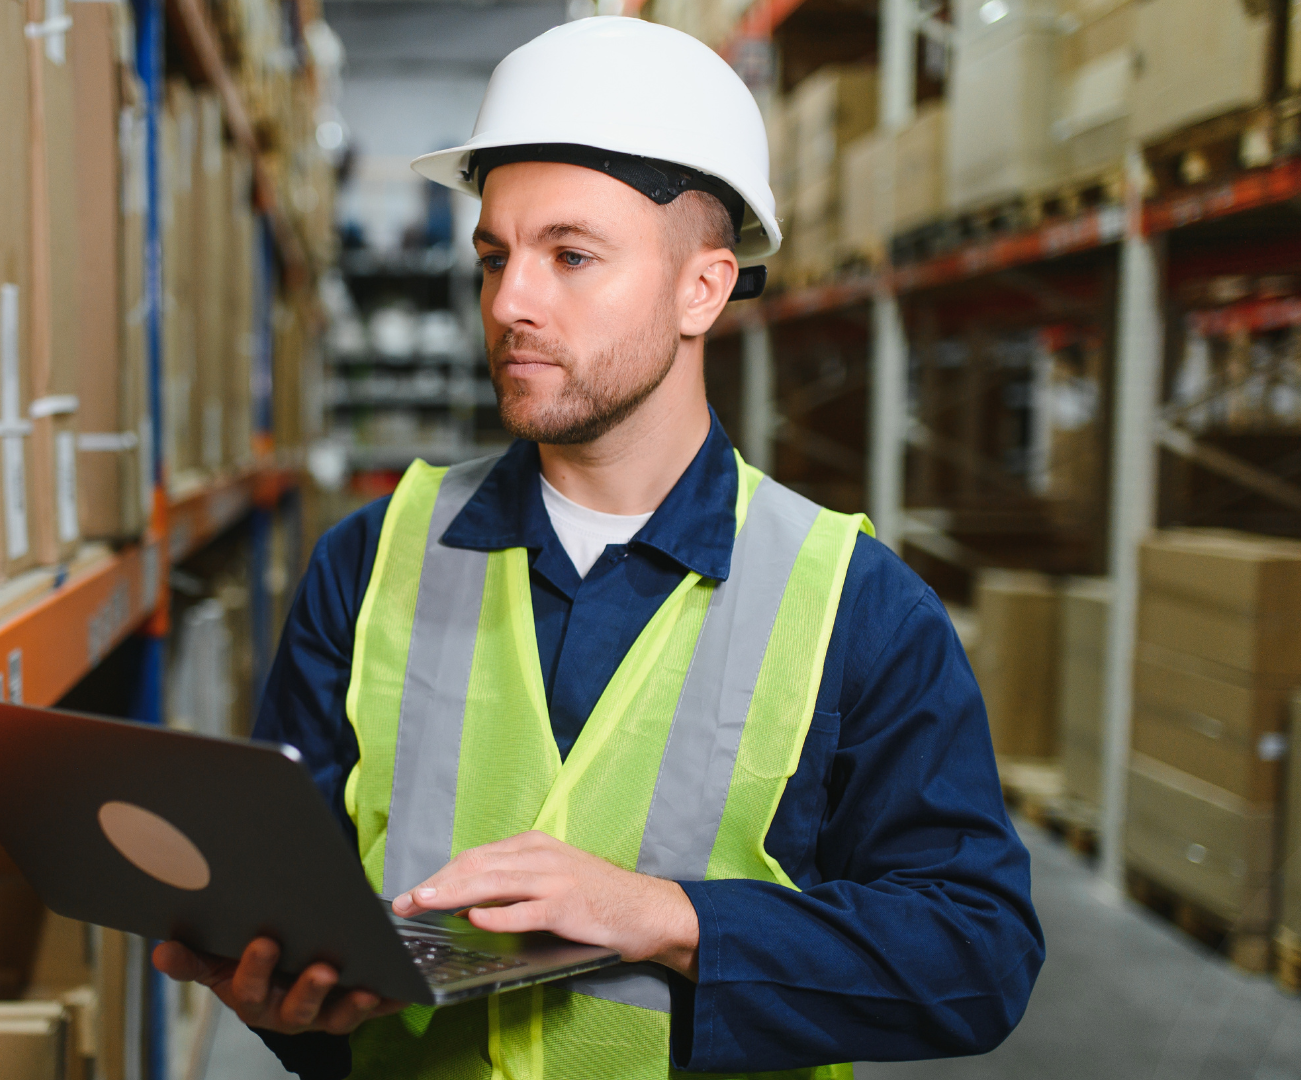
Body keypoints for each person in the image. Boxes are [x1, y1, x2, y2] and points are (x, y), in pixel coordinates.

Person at [154, 16, 1043, 1079]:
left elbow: (976, 955)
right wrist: (289, 1004)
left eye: (570, 256)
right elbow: (295, 901)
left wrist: (669, 918)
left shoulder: (854, 605)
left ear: (701, 290)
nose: (510, 302)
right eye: (495, 257)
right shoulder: (369, 562)